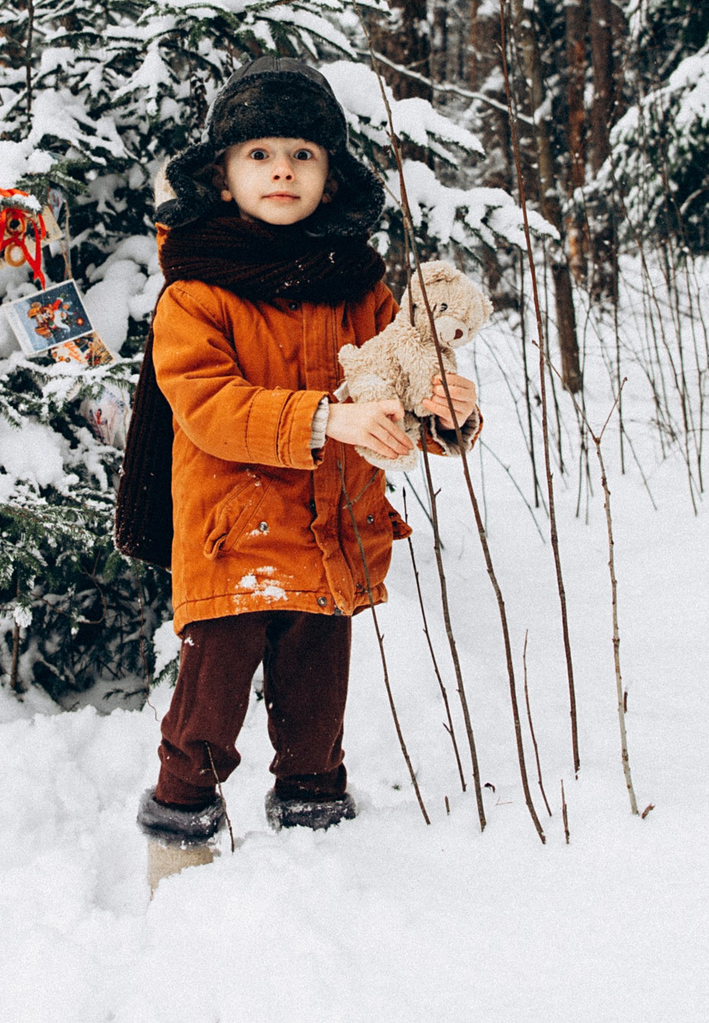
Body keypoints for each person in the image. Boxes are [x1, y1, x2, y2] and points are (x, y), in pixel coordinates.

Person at [128, 57, 477, 888]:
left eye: (302, 153)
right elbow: (209, 404)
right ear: (223, 174)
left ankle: (317, 863)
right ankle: (180, 854)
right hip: (233, 542)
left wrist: (443, 412)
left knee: (316, 723)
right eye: (258, 153)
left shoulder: (357, 284)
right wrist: (327, 417)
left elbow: (398, 374)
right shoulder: (196, 292)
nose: (281, 169)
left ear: (331, 173)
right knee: (205, 718)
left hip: (333, 540)